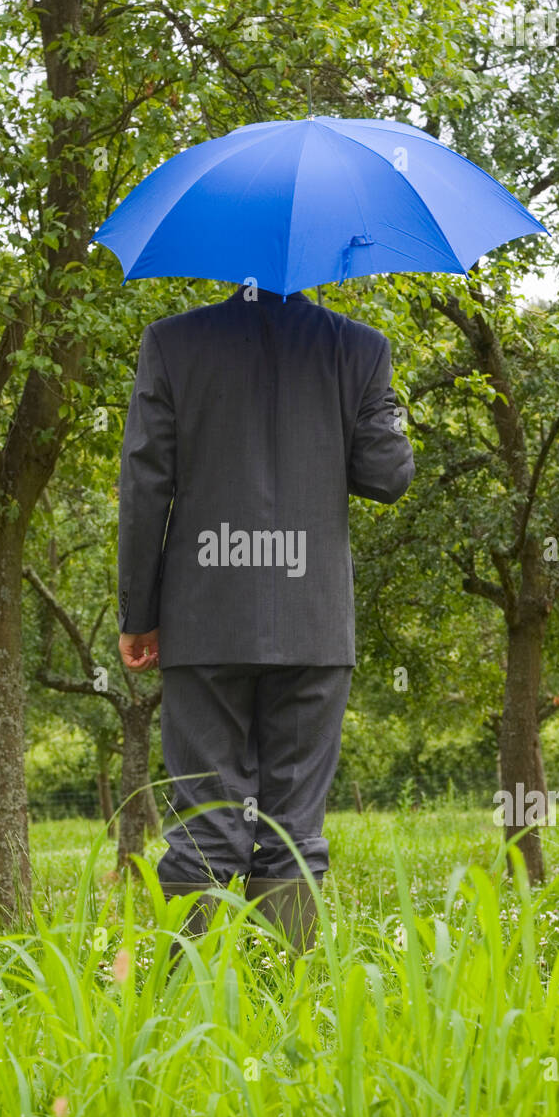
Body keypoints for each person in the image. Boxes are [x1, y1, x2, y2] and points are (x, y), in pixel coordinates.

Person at [116, 280, 415, 949]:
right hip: (312, 625)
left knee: (203, 824)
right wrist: (385, 409)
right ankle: (287, 1008)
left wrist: (138, 611)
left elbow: (144, 484)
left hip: (204, 621)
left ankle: (187, 1012)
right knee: (294, 830)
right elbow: (388, 475)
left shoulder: (172, 342)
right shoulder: (361, 349)